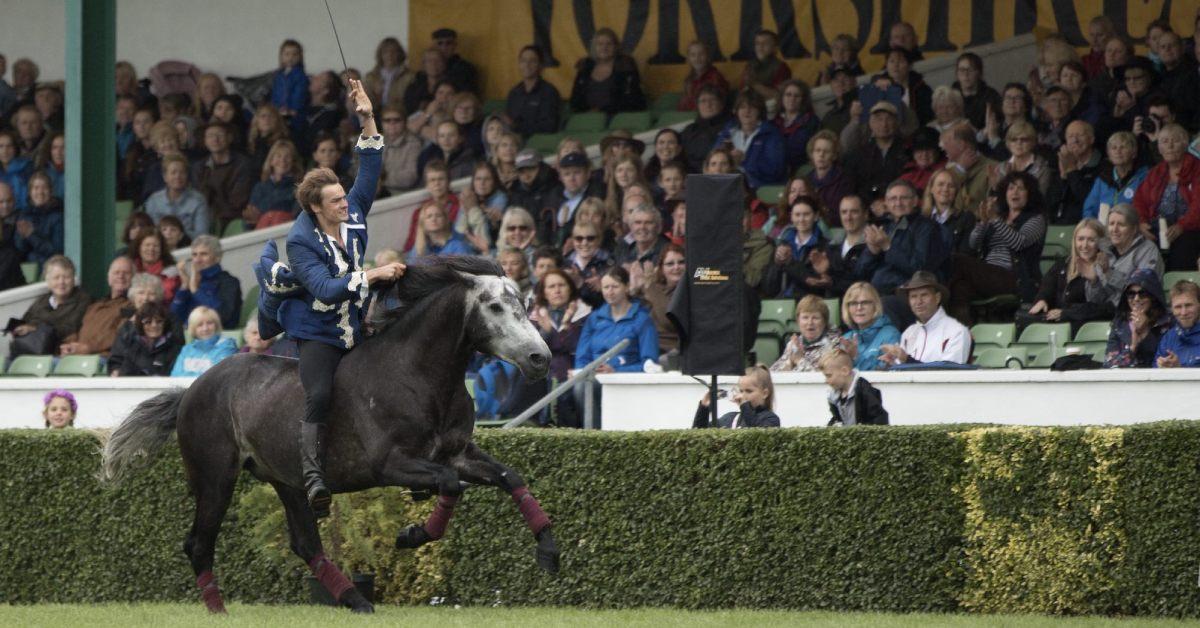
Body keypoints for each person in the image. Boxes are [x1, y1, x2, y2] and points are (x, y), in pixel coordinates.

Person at [254, 78, 403, 517]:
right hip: (317, 330)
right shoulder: (301, 241)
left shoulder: (352, 213)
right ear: (317, 208)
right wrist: (371, 274)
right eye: (337, 200)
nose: (347, 202)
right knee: (318, 393)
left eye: (344, 195)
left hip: (355, 323)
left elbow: (371, 167)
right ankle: (314, 476)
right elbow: (323, 289)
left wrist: (367, 117)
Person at [948, 172, 1047, 323]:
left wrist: (994, 220)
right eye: (1011, 188)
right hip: (989, 275)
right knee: (959, 288)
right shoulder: (998, 218)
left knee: (956, 260)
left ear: (1030, 194)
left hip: (1015, 277)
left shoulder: (1036, 219)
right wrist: (982, 222)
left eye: (1021, 188)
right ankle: (965, 332)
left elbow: (1018, 243)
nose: (1015, 192)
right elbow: (973, 243)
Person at [1019, 218, 1115, 333]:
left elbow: (1106, 307)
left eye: (1091, 240)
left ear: (1100, 243)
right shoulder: (1064, 264)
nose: (1084, 245)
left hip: (1086, 329)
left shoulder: (1107, 268)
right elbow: (1048, 286)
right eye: (1080, 239)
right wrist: (1042, 300)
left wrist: (1067, 313)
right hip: (1059, 327)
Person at [858, 180, 948, 296]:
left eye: (904, 198)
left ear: (915, 201)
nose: (898, 203)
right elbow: (860, 273)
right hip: (877, 293)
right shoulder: (883, 227)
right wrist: (872, 252)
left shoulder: (927, 228)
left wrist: (888, 247)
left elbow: (921, 269)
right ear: (886, 202)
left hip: (909, 293)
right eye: (893, 199)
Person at [528, 268, 591, 426]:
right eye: (551, 287)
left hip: (573, 369)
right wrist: (546, 332)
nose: (557, 290)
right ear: (544, 292)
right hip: (542, 374)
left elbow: (577, 346)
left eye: (561, 285)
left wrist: (552, 334)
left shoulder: (585, 315)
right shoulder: (536, 316)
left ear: (570, 288)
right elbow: (533, 351)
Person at [1133, 123, 1200, 271]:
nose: (1169, 146)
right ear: (1159, 147)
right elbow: (1139, 200)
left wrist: (1182, 225)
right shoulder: (1155, 172)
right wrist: (1142, 222)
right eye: (1164, 141)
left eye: (1175, 141)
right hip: (1158, 227)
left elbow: (1198, 207)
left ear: (1185, 144)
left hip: (1190, 229)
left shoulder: (1197, 169)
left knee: (1184, 247)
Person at [574, 266, 658, 373]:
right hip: (593, 380)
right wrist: (583, 373)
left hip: (627, 382)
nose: (610, 292)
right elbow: (582, 357)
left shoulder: (642, 319)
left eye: (615, 286)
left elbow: (650, 363)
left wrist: (616, 371)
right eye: (606, 287)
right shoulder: (594, 318)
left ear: (627, 287)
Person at [880, 271, 971, 366]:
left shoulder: (957, 332)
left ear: (937, 298)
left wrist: (907, 360)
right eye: (913, 296)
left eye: (924, 295)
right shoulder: (908, 333)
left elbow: (949, 375)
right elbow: (904, 372)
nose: (919, 301)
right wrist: (893, 364)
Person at [10, 255, 90, 357]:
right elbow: (26, 320)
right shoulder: (41, 301)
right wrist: (17, 328)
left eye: (66, 277)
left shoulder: (84, 300)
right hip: (30, 352)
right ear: (48, 280)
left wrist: (34, 328)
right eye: (56, 278)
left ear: (73, 279)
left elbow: (70, 327)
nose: (61, 282)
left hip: (59, 354)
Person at [58, 256, 134, 357]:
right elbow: (78, 328)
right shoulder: (94, 305)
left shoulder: (132, 305)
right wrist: (69, 345)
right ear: (109, 278)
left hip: (102, 359)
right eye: (116, 272)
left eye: (126, 273)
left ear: (134, 277)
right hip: (77, 355)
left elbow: (120, 334)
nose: (121, 276)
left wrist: (87, 347)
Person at [714, 90, 786, 190]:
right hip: (726, 184)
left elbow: (774, 170)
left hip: (758, 188)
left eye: (752, 107)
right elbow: (712, 160)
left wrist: (745, 159)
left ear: (759, 111)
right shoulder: (728, 132)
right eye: (742, 107)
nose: (747, 111)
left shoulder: (771, 134)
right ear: (736, 111)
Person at [841, 101, 909, 208]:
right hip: (869, 209)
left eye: (888, 119)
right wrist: (872, 203)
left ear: (896, 122)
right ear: (870, 123)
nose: (884, 124)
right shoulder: (860, 154)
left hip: (900, 205)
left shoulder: (907, 150)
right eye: (879, 119)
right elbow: (856, 186)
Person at [191, 122, 254, 235]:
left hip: (234, 219)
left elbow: (238, 201)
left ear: (229, 138)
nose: (215, 139)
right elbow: (199, 198)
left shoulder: (242, 164)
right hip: (206, 219)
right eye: (210, 136)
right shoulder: (199, 167)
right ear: (205, 141)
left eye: (219, 135)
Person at [1098, 203, 1164, 307]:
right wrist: (1092, 282)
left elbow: (1140, 290)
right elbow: (1097, 298)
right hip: (1109, 311)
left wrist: (1109, 274)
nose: (1114, 229)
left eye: (1121, 225)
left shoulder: (1147, 250)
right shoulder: (1104, 252)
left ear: (1133, 229)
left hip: (1140, 311)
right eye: (1111, 224)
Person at [170, 235, 242, 330]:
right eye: (194, 255)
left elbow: (222, 315)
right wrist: (184, 287)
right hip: (187, 337)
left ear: (217, 257)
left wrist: (196, 291)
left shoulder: (229, 282)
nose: (197, 260)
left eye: (204, 254)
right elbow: (173, 318)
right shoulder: (190, 281)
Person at [569, 28, 645, 115]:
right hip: (587, 117)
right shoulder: (585, 67)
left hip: (617, 117)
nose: (604, 47)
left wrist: (602, 111)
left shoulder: (626, 66)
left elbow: (632, 99)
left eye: (609, 44)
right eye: (600, 44)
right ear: (594, 47)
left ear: (616, 47)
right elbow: (575, 98)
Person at [764, 196, 828, 298]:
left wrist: (790, 263)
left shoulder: (825, 246)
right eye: (797, 215)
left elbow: (818, 285)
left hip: (809, 303)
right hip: (782, 303)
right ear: (791, 217)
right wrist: (777, 265)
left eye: (806, 214)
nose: (801, 219)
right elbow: (769, 288)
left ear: (816, 216)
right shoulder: (781, 245)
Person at [1104, 269, 1170, 368]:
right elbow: (1109, 363)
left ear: (1153, 296)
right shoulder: (1119, 324)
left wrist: (1145, 333)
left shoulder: (1168, 321)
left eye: (1142, 293)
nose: (1136, 299)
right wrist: (1133, 347)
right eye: (1131, 294)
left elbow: (1166, 357)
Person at [692, 365, 780, 429]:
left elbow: (756, 434)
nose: (743, 395)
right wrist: (704, 408)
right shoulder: (730, 418)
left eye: (749, 391)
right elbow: (699, 435)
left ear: (765, 393)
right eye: (741, 391)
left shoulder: (770, 419)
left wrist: (745, 405)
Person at [839, 281, 901, 371]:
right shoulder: (846, 338)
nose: (859, 308)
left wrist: (856, 358)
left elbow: (883, 375)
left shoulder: (890, 334)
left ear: (875, 305)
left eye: (865, 302)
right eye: (853, 303)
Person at [143, 153, 209, 239]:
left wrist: (177, 234)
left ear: (187, 176)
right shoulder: (153, 201)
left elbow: (202, 235)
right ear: (165, 177)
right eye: (173, 173)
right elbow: (149, 232)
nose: (178, 176)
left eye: (182, 172)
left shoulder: (198, 200)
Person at [770, 295, 840, 372]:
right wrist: (789, 362)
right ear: (798, 321)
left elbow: (826, 378)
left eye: (815, 318)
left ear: (824, 322)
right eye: (805, 317)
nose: (810, 323)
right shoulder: (794, 344)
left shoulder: (833, 345)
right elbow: (773, 374)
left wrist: (799, 360)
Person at [820, 349, 889, 426]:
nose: (826, 381)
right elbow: (837, 419)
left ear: (845, 371)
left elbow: (880, 417)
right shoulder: (833, 396)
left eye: (829, 376)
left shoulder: (865, 391)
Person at [637, 244, 684, 355]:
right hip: (647, 347)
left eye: (681, 262)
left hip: (674, 352)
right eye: (670, 264)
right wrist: (633, 290)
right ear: (661, 269)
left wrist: (649, 287)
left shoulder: (693, 291)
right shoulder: (656, 289)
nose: (676, 267)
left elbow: (669, 320)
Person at [941, 121, 997, 215]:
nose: (943, 148)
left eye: (946, 143)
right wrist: (960, 169)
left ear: (961, 144)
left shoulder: (993, 168)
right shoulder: (949, 172)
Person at [506, 45, 561, 137]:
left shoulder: (549, 92)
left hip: (536, 143)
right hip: (513, 142)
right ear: (519, 64)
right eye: (523, 61)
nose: (527, 65)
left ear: (541, 65)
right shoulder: (514, 93)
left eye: (532, 61)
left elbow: (549, 126)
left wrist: (517, 126)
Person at [247, 140, 303, 229]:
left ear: (293, 162)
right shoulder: (259, 187)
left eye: (287, 157)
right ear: (271, 161)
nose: (283, 160)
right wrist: (250, 220)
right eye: (278, 156)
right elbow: (248, 223)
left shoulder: (298, 190)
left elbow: (297, 219)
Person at [169, 306, 236, 377]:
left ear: (216, 325)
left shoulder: (227, 348)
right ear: (193, 328)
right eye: (200, 325)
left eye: (209, 323)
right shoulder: (187, 350)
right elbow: (175, 376)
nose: (205, 328)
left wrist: (188, 375)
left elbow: (217, 377)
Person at [13, 171, 63, 265]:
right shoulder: (24, 215)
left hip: (50, 268)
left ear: (51, 191)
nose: (40, 192)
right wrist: (21, 236)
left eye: (44, 188)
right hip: (28, 270)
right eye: (36, 188)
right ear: (30, 192)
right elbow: (19, 251)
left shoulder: (58, 216)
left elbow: (56, 252)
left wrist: (31, 235)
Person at [564, 218, 615, 308]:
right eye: (579, 238)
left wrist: (602, 288)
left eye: (590, 238)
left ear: (599, 240)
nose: (584, 243)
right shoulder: (565, 263)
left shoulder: (609, 263)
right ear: (573, 240)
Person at [680, 85, 731, 172]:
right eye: (703, 101)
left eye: (712, 100)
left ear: (721, 104)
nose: (708, 104)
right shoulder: (689, 130)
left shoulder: (730, 128)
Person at [924, 168, 975, 254]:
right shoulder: (920, 218)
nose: (945, 189)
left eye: (951, 186)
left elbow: (965, 254)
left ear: (956, 191)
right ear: (931, 189)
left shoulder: (966, 218)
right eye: (940, 184)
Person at [775, 80, 819, 174]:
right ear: (782, 98)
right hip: (777, 172)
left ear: (803, 99)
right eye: (788, 94)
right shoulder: (773, 124)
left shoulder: (812, 122)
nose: (792, 98)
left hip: (803, 171)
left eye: (797, 96)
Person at [1155, 280, 1200, 368]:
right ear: (1171, 309)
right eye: (1178, 307)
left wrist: (1180, 370)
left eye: (1188, 305)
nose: (1183, 312)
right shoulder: (1168, 339)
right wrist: (1161, 367)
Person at [741, 30, 791, 105]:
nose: (760, 47)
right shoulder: (750, 65)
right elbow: (743, 91)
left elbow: (778, 96)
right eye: (757, 44)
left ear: (775, 48)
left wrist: (754, 84)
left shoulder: (781, 67)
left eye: (765, 44)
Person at [954, 52, 1002, 131]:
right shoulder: (950, 96)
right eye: (962, 70)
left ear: (979, 73)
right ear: (957, 74)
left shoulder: (990, 96)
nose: (966, 74)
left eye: (970, 69)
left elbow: (997, 123)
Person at [270, 39, 309, 134]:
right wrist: (275, 108)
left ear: (300, 56)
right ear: (281, 56)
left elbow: (299, 94)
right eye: (287, 54)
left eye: (294, 54)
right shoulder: (278, 75)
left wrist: (293, 109)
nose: (290, 57)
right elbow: (275, 93)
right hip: (278, 111)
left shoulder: (300, 75)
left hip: (294, 113)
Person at [364, 37, 412, 112]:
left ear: (399, 54)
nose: (390, 55)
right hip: (375, 113)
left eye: (393, 52)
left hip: (400, 113)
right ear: (380, 54)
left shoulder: (409, 76)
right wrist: (376, 95)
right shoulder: (371, 77)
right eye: (386, 52)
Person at [678, 40, 729, 111]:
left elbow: (717, 104)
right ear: (688, 59)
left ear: (708, 57)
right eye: (693, 55)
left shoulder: (715, 78)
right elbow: (683, 104)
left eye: (701, 54)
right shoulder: (688, 80)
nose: (697, 58)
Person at [132, 230, 182, 302]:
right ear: (139, 247)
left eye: (156, 246)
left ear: (162, 249)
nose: (151, 249)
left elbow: (166, 296)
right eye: (147, 245)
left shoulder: (171, 272)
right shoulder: (130, 267)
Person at [432, 27, 479, 94]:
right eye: (440, 43)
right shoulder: (427, 68)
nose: (444, 47)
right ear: (434, 46)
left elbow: (466, 96)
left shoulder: (465, 69)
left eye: (448, 43)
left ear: (455, 45)